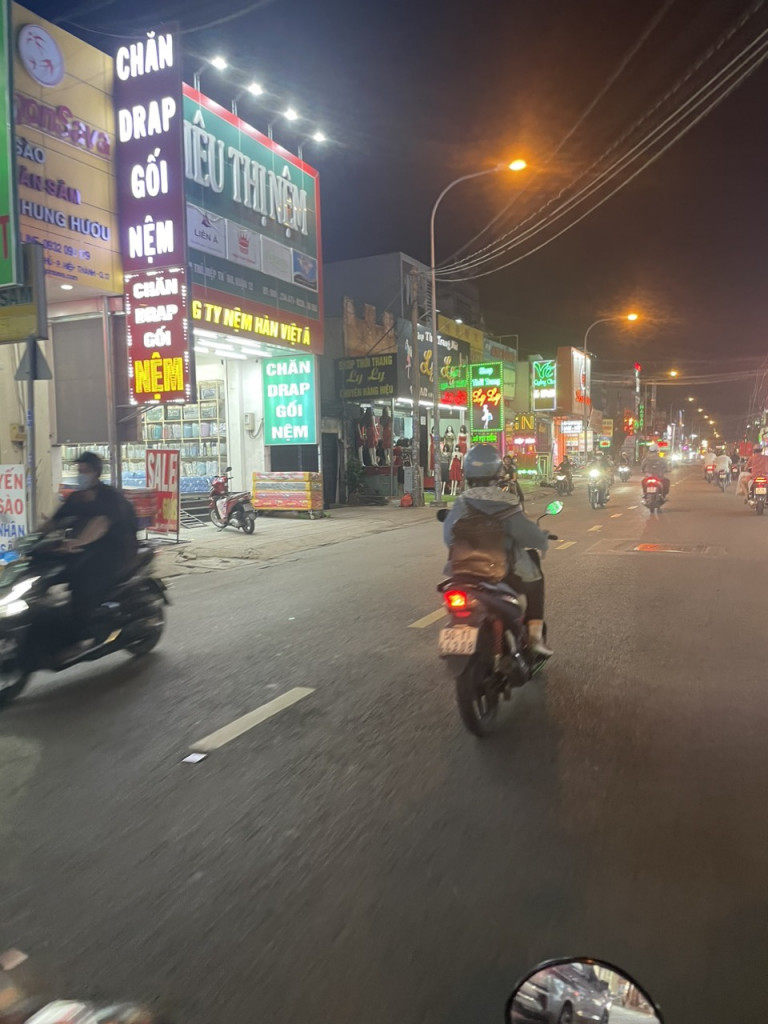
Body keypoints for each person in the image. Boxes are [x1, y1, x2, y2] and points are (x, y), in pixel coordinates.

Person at [443, 444, 553, 656]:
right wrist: (543, 540)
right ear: (497, 471)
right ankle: (534, 637)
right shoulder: (506, 502)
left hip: (462, 572)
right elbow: (528, 535)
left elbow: (448, 536)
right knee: (535, 580)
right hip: (503, 572)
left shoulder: (461, 502)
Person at [41, 452, 138, 656]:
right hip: (86, 550)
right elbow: (54, 521)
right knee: (51, 576)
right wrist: (31, 539)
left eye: (84, 471)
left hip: (116, 552)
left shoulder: (109, 496)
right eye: (79, 470)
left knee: (83, 584)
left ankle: (84, 637)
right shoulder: (76, 498)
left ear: (95, 472)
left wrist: (78, 542)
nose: (80, 475)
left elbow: (100, 524)